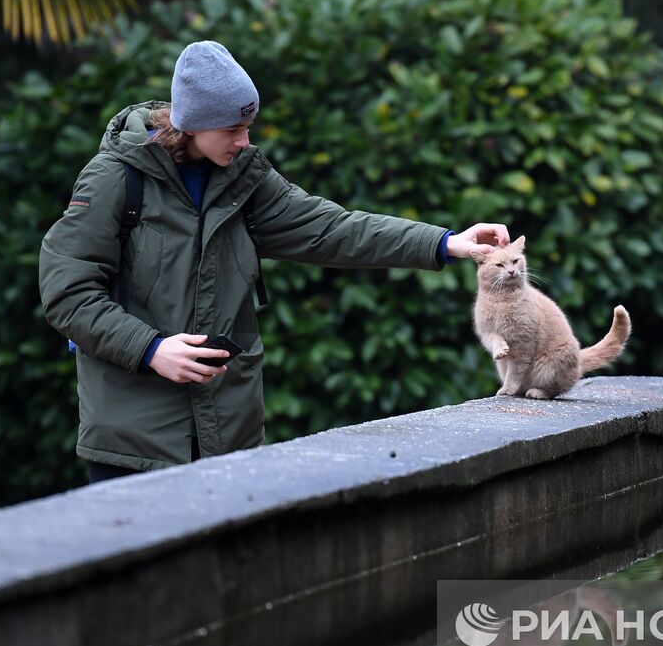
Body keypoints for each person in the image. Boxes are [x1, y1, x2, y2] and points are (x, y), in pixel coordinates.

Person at [39, 40, 510, 483]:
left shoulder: (244, 176)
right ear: (191, 125)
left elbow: (332, 229)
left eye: (248, 127)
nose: (244, 141)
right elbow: (68, 295)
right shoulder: (115, 180)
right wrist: (151, 349)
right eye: (232, 129)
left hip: (230, 436)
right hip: (132, 442)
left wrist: (446, 243)